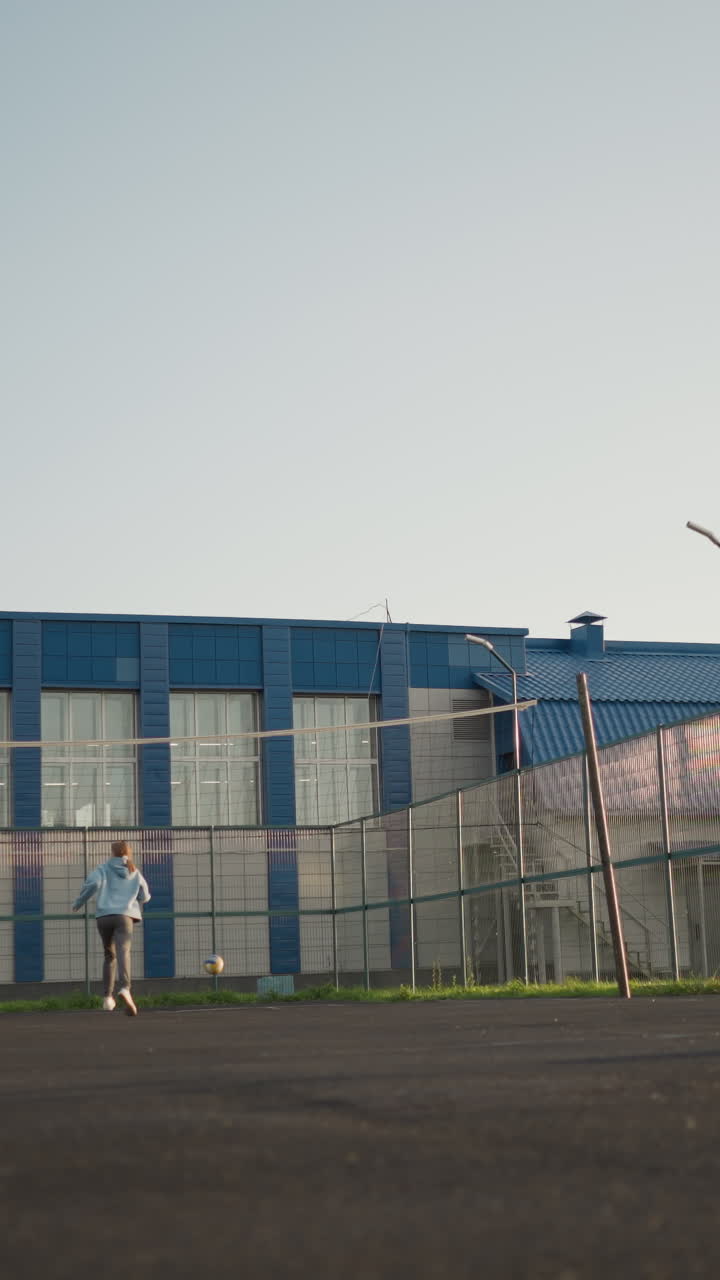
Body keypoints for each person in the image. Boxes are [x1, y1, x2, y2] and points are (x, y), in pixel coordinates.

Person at [72, 841, 151, 1016]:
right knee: (124, 952)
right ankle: (125, 988)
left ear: (112, 852)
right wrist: (132, 895)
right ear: (128, 853)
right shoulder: (134, 871)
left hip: (104, 917)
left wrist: (79, 902)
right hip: (124, 917)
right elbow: (145, 897)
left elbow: (93, 885)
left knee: (109, 955)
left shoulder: (102, 868)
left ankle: (107, 998)